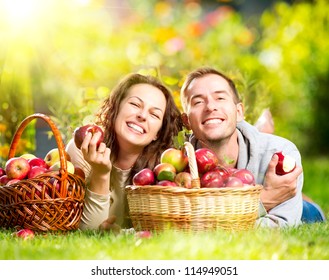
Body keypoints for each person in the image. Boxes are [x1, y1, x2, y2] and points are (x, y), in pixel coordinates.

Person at [180, 66, 325, 227]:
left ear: (239, 112)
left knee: (310, 211)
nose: (210, 107)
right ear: (186, 121)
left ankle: (258, 133)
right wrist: (265, 199)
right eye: (198, 102)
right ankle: (259, 130)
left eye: (220, 98)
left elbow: (278, 226)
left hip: (306, 214)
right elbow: (185, 226)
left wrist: (211, 224)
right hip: (259, 195)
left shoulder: (279, 153)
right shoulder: (178, 167)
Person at [66, 73, 183, 230]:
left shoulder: (164, 171)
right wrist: (100, 174)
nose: (142, 115)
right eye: (135, 104)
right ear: (116, 107)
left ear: (157, 133)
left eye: (154, 114)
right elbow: (88, 234)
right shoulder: (84, 148)